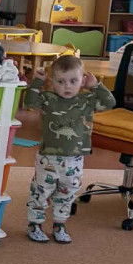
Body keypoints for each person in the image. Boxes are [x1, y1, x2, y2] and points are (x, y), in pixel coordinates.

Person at [23, 54, 115, 244]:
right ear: (52, 82)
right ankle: (35, 224)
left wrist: (96, 86)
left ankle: (59, 225)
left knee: (67, 192)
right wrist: (38, 82)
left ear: (82, 80)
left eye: (73, 81)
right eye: (61, 81)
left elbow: (110, 103)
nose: (67, 86)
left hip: (75, 158)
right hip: (48, 157)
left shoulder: (87, 100)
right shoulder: (47, 99)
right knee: (41, 191)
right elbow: (29, 102)